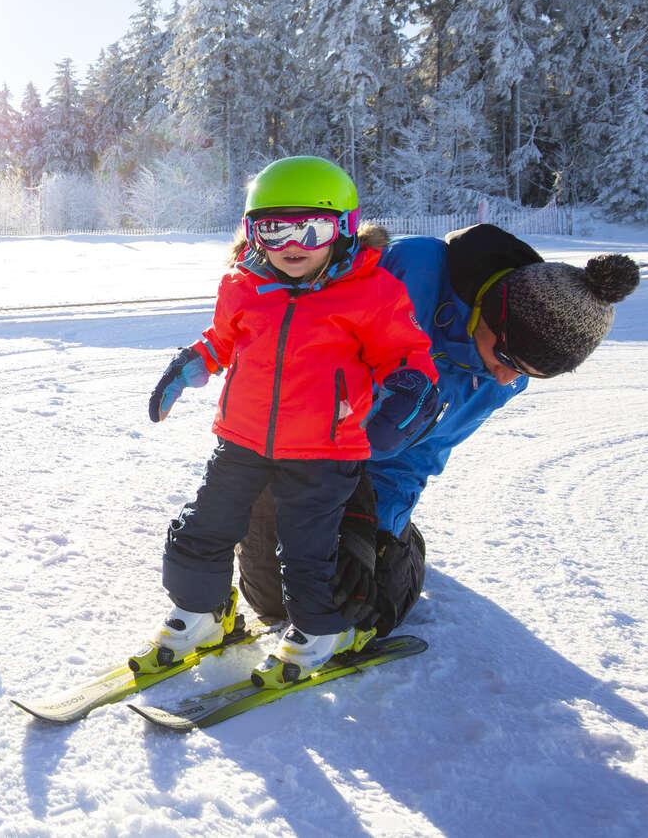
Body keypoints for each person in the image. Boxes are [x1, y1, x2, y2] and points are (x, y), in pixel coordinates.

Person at [236, 223, 641, 637]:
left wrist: (377, 527)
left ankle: (404, 545)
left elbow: (420, 455)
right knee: (273, 596)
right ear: (491, 313)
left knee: (367, 605)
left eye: (530, 373)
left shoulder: (502, 376)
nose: (506, 378)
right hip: (292, 451)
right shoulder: (400, 275)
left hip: (374, 471)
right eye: (506, 357)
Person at [133, 156, 441, 688]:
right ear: (254, 233)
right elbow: (222, 340)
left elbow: (406, 353)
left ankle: (324, 631)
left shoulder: (372, 293)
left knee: (307, 549)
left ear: (344, 230)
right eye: (272, 229)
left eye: (311, 227)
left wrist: (412, 385)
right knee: (202, 526)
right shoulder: (243, 285)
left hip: (326, 451)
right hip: (242, 441)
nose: (291, 244)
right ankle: (203, 613)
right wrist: (192, 363)